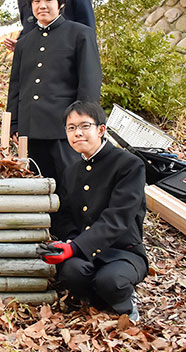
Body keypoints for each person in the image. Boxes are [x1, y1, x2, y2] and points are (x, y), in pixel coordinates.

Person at [38, 101, 147, 322]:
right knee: (70, 274)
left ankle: (126, 303)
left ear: (101, 129)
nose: (77, 133)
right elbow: (64, 215)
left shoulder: (129, 165)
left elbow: (118, 218)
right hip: (84, 250)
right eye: (71, 128)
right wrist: (69, 244)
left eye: (84, 126)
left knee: (111, 281)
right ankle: (97, 300)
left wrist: (76, 247)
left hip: (124, 251)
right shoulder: (70, 171)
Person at [6, 0, 101, 200]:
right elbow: (16, 86)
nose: (42, 5)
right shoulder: (25, 43)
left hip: (65, 127)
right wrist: (15, 124)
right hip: (31, 128)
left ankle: (73, 234)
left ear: (61, 4)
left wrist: (82, 123)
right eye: (36, 1)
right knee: (39, 185)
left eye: (48, 0)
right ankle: (48, 233)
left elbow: (89, 82)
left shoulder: (80, 34)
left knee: (71, 185)